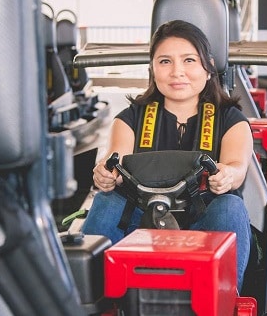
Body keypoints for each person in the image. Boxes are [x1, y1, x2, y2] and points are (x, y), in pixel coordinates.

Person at [82, 19, 253, 291]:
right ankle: (94, 299)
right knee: (107, 200)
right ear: (152, 68)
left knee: (230, 206)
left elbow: (236, 166)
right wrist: (105, 175)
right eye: (165, 62)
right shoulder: (130, 118)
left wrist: (228, 175)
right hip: (142, 221)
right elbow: (115, 162)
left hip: (205, 221)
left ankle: (223, 300)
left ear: (208, 67)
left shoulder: (230, 119)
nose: (177, 72)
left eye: (188, 60)